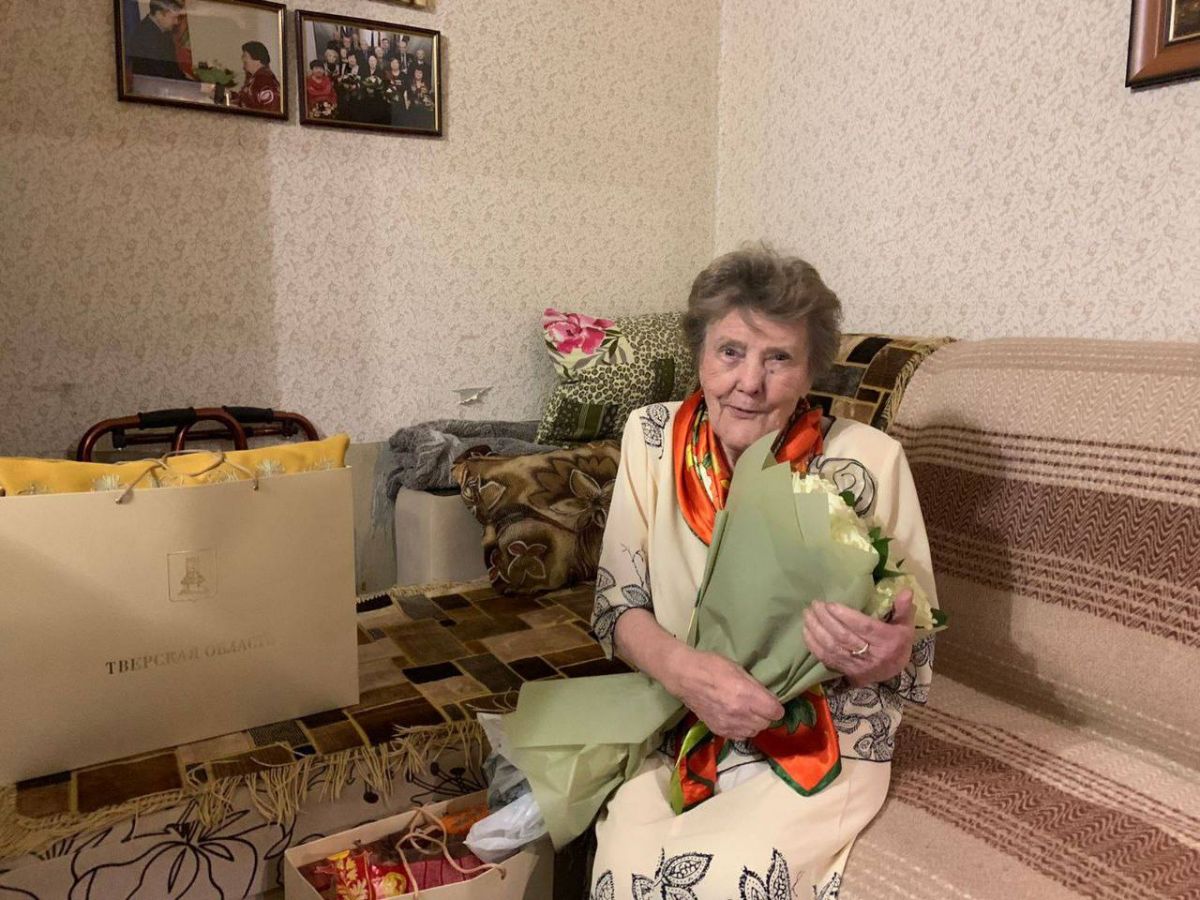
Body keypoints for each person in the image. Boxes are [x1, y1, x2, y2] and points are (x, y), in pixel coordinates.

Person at [587, 246, 937, 898]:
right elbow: (616, 607)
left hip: (821, 733)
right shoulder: (651, 439)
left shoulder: (870, 462)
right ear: (699, 355)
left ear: (809, 373)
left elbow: (909, 651)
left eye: (779, 358)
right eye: (730, 351)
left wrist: (881, 652)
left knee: (720, 877)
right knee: (623, 869)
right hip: (682, 719)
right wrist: (688, 675)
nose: (750, 382)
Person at [126, 0, 186, 79]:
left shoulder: (164, 31)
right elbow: (161, 73)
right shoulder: (145, 36)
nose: (176, 22)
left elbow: (173, 69)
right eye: (174, 17)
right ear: (159, 14)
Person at [231, 41, 280, 112]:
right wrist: (229, 95)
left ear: (257, 58)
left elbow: (269, 111)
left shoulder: (265, 82)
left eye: (245, 56)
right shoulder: (255, 79)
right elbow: (246, 100)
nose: (242, 58)